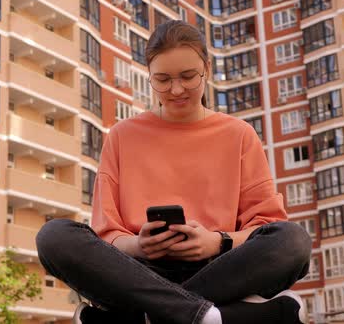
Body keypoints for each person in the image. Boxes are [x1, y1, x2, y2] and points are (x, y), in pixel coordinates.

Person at [36, 20, 312, 324]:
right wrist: (138, 245)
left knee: (293, 241)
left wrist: (218, 242)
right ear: (149, 76)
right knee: (54, 236)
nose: (176, 89)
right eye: (163, 80)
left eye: (188, 76)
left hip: (220, 268)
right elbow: (107, 234)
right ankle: (208, 316)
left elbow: (267, 226)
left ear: (206, 67)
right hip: (138, 270)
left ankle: (147, 315)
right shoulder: (122, 136)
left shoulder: (239, 135)